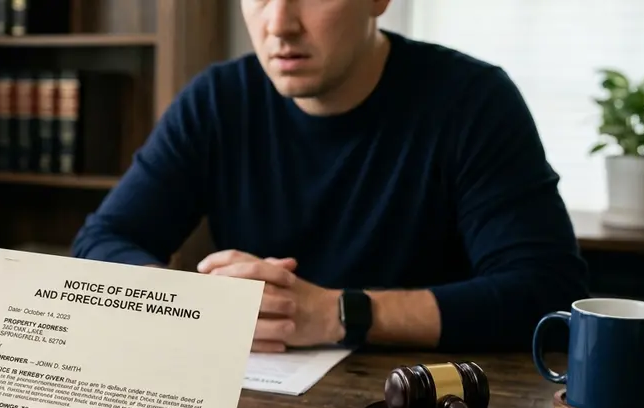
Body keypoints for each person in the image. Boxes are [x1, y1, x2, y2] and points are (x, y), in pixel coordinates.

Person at [70, 0, 589, 353]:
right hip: (258, 406)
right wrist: (191, 305)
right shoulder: (219, 99)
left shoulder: (473, 101)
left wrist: (340, 313)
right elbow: (102, 239)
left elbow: (545, 295)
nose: (279, 24)